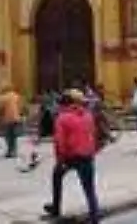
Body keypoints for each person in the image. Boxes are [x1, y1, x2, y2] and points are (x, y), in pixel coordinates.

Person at [42, 90, 101, 223]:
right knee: (89, 188)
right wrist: (92, 151)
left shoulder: (62, 118)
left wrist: (60, 160)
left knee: (57, 175)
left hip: (70, 156)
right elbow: (93, 135)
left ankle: (56, 207)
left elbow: (59, 142)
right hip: (86, 155)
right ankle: (95, 216)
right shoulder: (88, 115)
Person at [0, 84, 23, 159]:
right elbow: (20, 106)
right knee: (14, 136)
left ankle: (10, 150)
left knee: (8, 136)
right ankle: (14, 151)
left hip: (7, 118)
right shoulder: (16, 96)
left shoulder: (3, 98)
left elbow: (0, 107)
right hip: (16, 118)